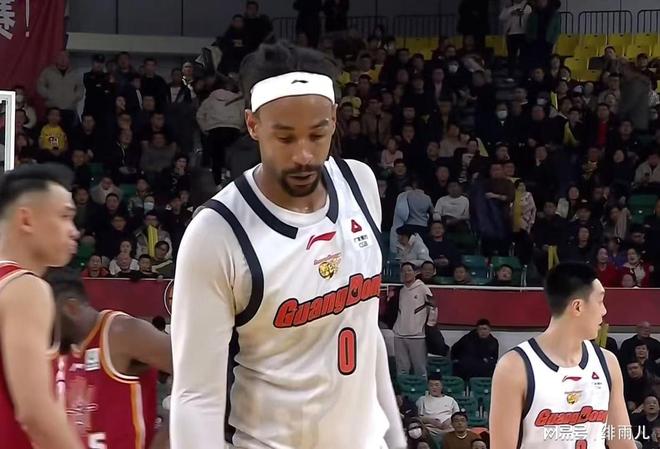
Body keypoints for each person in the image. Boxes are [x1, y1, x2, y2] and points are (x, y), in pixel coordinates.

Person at [170, 41, 406, 449]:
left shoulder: (361, 185)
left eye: (317, 134)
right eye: (285, 137)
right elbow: (195, 397)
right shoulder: (216, 233)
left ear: (334, 119)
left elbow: (366, 335)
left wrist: (395, 441)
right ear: (253, 124)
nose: (304, 155)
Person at [490, 262, 635, 449]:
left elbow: (622, 441)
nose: (604, 311)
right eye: (600, 301)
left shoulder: (607, 362)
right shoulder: (514, 367)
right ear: (577, 307)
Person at [0, 164, 83, 449]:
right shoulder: (24, 288)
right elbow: (34, 413)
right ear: (26, 219)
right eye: (64, 216)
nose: (74, 231)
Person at [45, 267, 173, 449]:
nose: (41, 326)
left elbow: (196, 371)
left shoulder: (122, 332)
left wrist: (166, 434)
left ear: (71, 308)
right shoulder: (60, 352)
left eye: (45, 317)